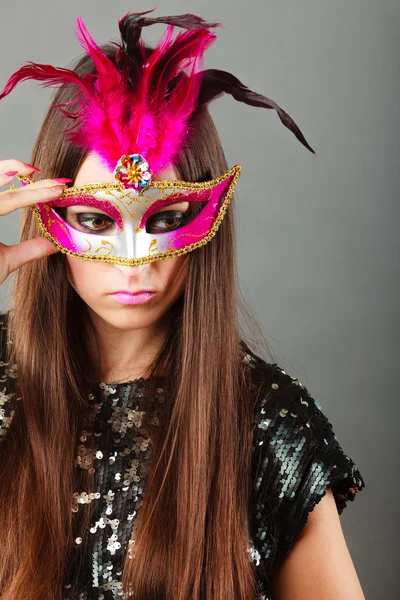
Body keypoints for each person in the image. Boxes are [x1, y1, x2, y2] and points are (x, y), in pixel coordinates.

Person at [0, 10, 365, 600]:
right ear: (49, 213)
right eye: (96, 220)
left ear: (207, 219)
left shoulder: (269, 426)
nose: (134, 259)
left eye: (166, 219)